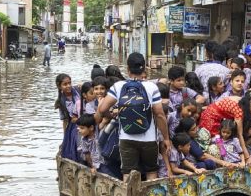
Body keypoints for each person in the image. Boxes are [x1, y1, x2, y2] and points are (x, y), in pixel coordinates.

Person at [96, 52, 171, 180]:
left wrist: (113, 115)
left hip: (126, 137)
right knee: (151, 171)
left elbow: (102, 109)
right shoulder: (152, 87)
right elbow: (159, 114)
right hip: (149, 139)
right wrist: (166, 138)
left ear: (128, 69)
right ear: (144, 68)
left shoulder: (118, 86)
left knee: (128, 173)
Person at [198, 95, 251, 166]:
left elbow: (239, 150)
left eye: (228, 133)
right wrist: (247, 158)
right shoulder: (239, 111)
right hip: (210, 120)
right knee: (216, 148)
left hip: (212, 116)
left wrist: (243, 160)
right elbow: (239, 135)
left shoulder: (239, 100)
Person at [55, 73, 82, 162]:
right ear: (59, 86)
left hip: (86, 118)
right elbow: (65, 121)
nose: (68, 86)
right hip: (73, 124)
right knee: (74, 138)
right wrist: (65, 137)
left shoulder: (78, 90)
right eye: (65, 84)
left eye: (69, 83)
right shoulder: (60, 102)